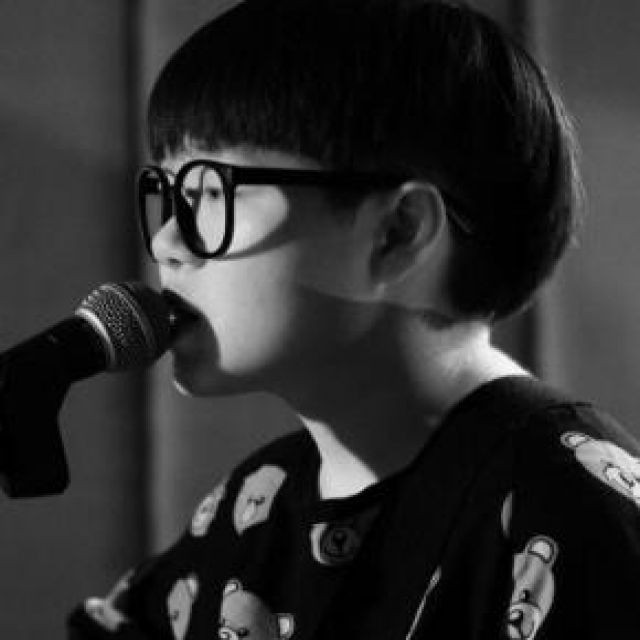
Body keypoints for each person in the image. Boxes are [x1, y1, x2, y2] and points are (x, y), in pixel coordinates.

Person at [68, 0, 640, 638]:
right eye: (167, 194)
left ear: (399, 232)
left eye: (209, 191)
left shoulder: (570, 510)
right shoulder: (253, 504)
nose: (167, 242)